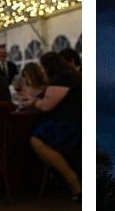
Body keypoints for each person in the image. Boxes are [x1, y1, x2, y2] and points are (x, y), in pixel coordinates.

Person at [29, 48, 80, 198]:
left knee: (37, 140)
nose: (42, 72)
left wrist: (34, 102)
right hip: (75, 121)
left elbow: (46, 105)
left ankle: (73, 182)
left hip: (70, 125)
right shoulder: (70, 76)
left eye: (42, 68)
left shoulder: (62, 78)